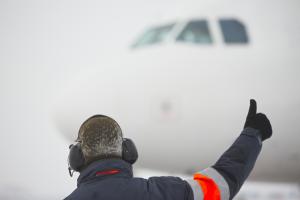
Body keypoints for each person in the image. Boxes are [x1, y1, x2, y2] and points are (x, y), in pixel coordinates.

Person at [64, 99, 272, 200]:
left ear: (77, 158)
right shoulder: (163, 193)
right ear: (127, 151)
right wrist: (252, 135)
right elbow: (223, 181)